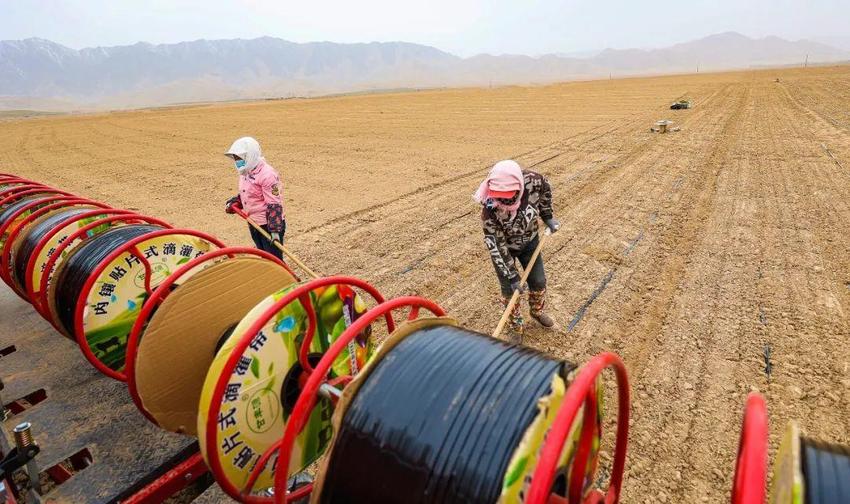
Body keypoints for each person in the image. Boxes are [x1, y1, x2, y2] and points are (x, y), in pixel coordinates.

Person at [474, 159, 560, 342]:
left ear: (519, 187)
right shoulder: (489, 210)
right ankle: (516, 326)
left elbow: (545, 193)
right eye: (500, 196)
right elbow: (496, 245)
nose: (504, 200)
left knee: (538, 280)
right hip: (505, 248)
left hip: (529, 241)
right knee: (509, 289)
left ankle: (537, 311)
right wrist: (512, 276)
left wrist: (547, 216)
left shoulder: (535, 181)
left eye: (508, 195)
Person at [224, 137, 285, 260]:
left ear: (250, 155)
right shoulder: (246, 172)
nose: (237, 161)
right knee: (264, 257)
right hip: (253, 222)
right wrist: (237, 202)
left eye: (239, 158)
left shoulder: (267, 175)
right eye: (235, 158)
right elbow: (249, 193)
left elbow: (274, 203)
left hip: (269, 225)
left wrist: (274, 231)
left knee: (274, 260)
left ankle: (288, 278)